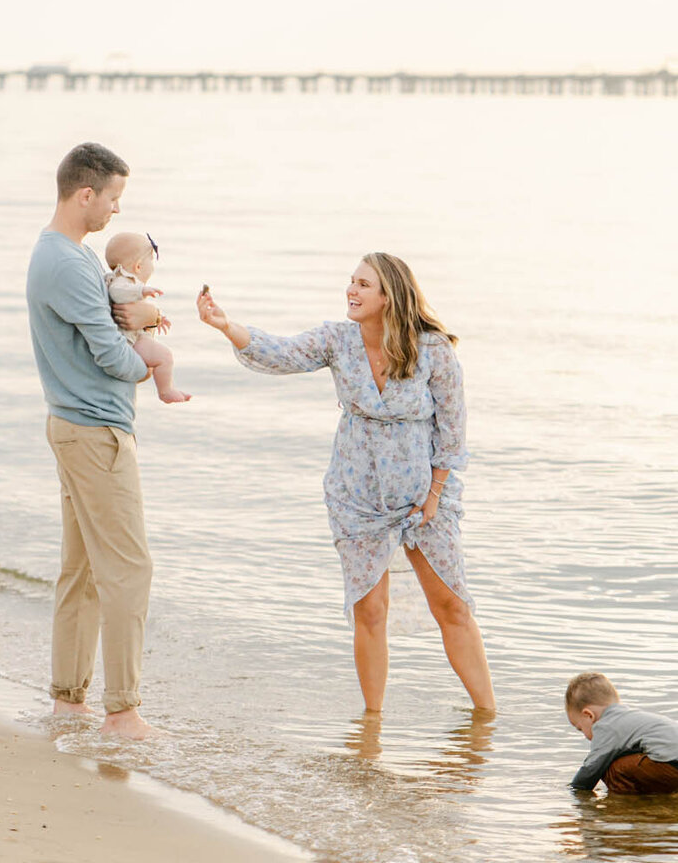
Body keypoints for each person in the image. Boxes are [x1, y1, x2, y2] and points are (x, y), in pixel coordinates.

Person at [196, 254, 495, 715]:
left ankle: (487, 717)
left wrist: (434, 496)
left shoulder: (432, 349)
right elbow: (281, 353)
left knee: (451, 606)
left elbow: (453, 433)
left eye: (364, 285)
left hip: (423, 501)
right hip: (356, 499)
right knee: (369, 612)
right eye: (351, 282)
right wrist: (225, 325)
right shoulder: (338, 340)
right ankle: (371, 725)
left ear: (389, 295)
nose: (351, 291)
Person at [25, 142, 160, 739]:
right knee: (129, 568)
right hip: (95, 430)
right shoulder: (71, 263)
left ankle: (68, 702)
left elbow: (101, 335)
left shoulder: (57, 254)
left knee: (80, 569)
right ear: (87, 194)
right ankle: (123, 712)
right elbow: (110, 354)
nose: (114, 213)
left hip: (72, 424)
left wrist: (131, 323)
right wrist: (150, 351)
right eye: (113, 199)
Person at [565, 672, 678, 795]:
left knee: (610, 768)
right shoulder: (630, 717)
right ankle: (655, 800)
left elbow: (592, 766)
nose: (584, 735)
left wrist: (576, 790)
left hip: (673, 764)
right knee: (625, 759)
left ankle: (623, 804)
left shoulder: (606, 725)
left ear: (589, 715)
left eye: (580, 728)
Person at [104, 231, 190, 404]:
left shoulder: (129, 283)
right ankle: (165, 391)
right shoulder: (123, 280)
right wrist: (141, 291)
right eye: (151, 259)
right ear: (138, 266)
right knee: (164, 356)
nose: (153, 265)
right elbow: (118, 293)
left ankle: (165, 389)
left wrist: (156, 318)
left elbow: (137, 310)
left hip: (135, 336)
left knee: (161, 357)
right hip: (130, 340)